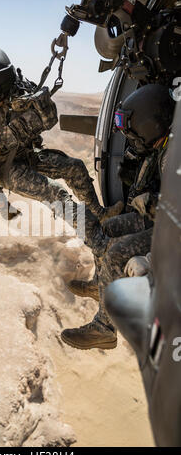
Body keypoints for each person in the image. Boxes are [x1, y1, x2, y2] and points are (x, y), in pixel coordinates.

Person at [0, 45, 123, 247]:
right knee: (57, 194)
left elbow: (49, 120)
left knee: (75, 168)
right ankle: (101, 246)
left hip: (27, 154)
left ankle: (101, 216)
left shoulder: (18, 90)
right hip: (7, 169)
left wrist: (39, 102)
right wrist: (1, 203)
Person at [61, 84, 175, 350]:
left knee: (116, 254)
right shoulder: (164, 144)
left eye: (134, 133)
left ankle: (105, 328)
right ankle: (102, 285)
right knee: (108, 228)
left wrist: (150, 204)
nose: (132, 138)